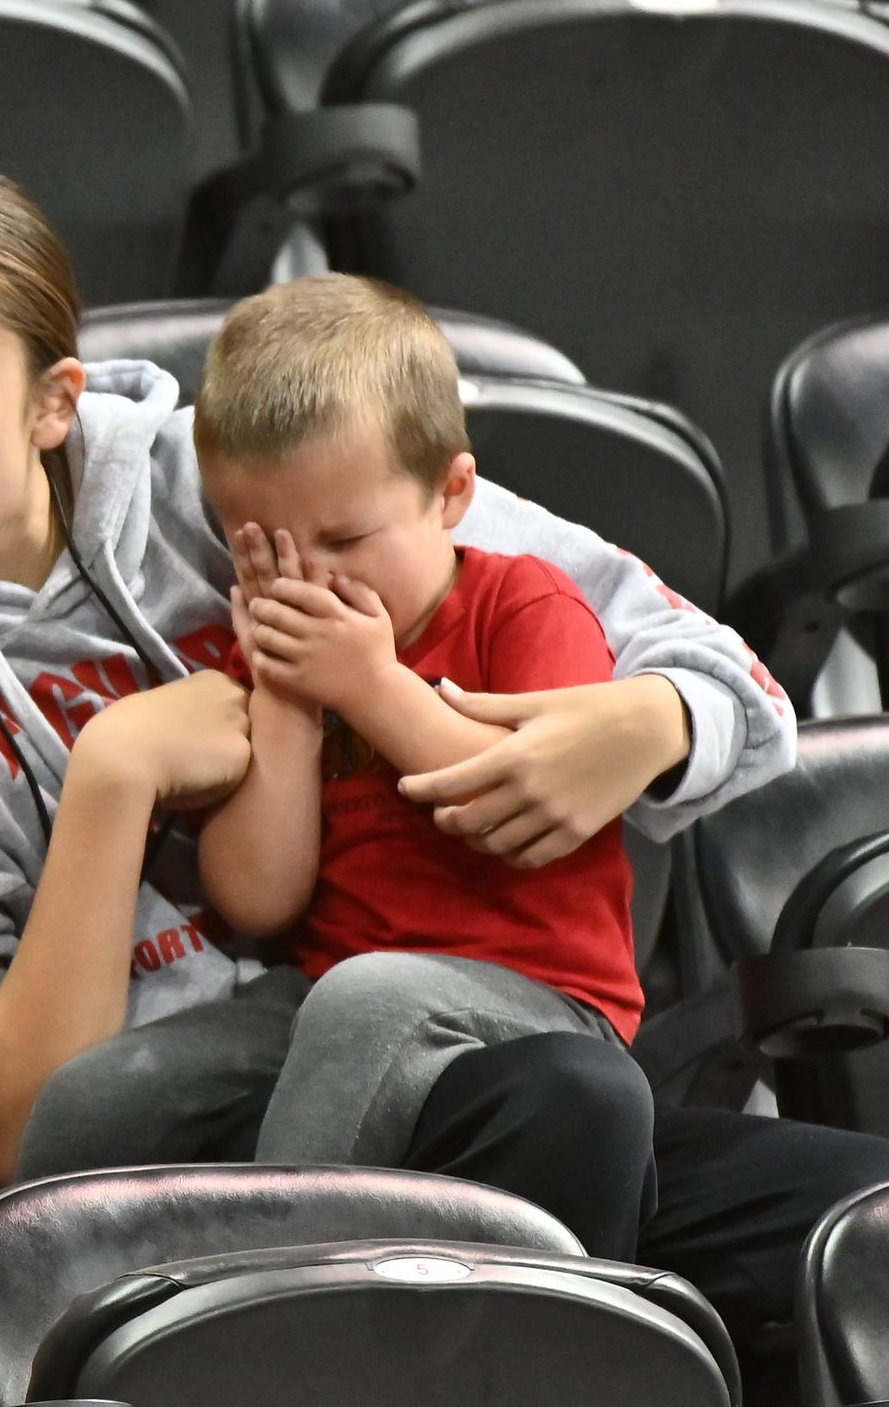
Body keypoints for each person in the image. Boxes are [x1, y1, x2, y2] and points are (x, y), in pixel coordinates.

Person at [0, 154, 886, 1358]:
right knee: (566, 1104)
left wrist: (648, 720)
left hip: (442, 1070)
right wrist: (114, 781)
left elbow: (737, 690)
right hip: (163, 1170)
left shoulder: (254, 472)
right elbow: (18, 1135)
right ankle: (267, 1332)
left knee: (815, 1205)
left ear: (51, 399)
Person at [175, 275, 644, 1169]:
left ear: (452, 493)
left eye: (347, 541)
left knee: (370, 999)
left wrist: (371, 687)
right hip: (326, 997)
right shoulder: (293, 654)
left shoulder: (525, 604)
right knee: (109, 1089)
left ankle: (284, 1283)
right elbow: (256, 901)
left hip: (540, 999)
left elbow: (516, 807)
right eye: (266, 545)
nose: (313, 580)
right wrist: (287, 707)